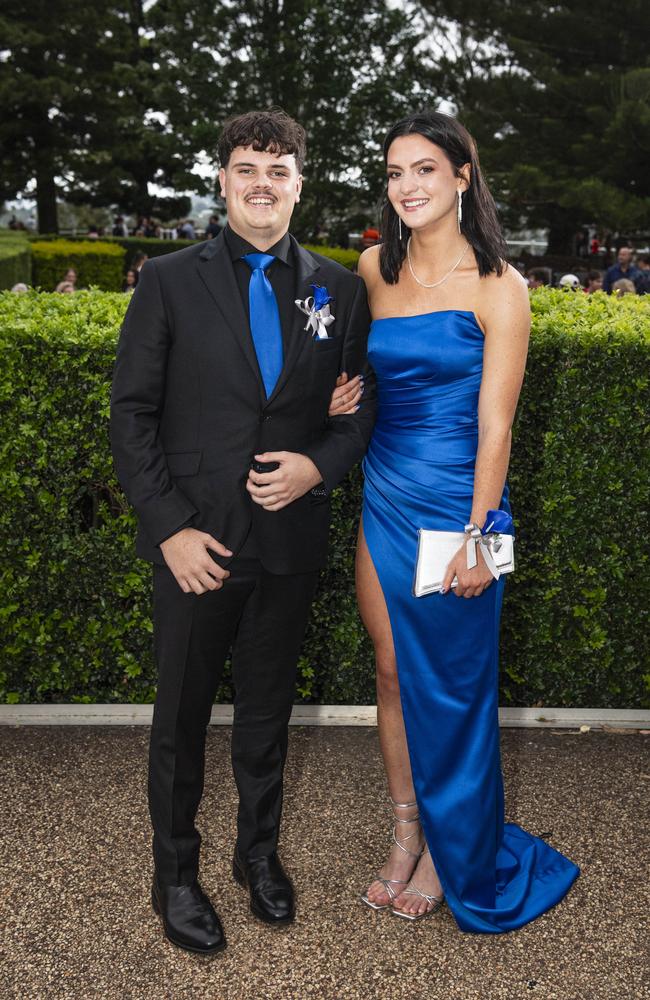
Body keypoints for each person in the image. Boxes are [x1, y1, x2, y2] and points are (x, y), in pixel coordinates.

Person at [110, 108, 375, 956]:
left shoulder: (339, 287)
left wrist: (318, 466)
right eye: (248, 167)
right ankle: (174, 877)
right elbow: (132, 414)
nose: (264, 183)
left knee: (267, 716)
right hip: (197, 545)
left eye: (281, 169)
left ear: (302, 183)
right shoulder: (169, 281)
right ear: (222, 179)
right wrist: (169, 531)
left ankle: (257, 856)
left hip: (290, 542)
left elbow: (357, 415)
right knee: (181, 720)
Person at [337, 109, 578, 932]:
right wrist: (346, 398)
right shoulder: (372, 267)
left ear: (462, 177)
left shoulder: (501, 284)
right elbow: (360, 378)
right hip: (384, 493)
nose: (406, 185)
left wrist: (484, 537)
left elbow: (497, 426)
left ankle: (452, 849)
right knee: (393, 673)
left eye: (425, 170)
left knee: (459, 689)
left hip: (461, 512)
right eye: (396, 172)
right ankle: (407, 833)